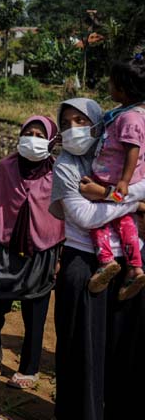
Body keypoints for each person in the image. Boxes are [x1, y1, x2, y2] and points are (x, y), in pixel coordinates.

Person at [50, 97, 145, 420]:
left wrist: (107, 194)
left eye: (80, 121)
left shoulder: (114, 157)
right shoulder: (65, 166)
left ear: (98, 125)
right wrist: (133, 202)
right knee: (84, 352)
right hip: (84, 264)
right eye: (65, 124)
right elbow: (85, 216)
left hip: (128, 265)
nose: (73, 129)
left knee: (124, 349)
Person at [0, 115, 64, 390]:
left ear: (52, 141)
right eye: (28, 132)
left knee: (35, 313)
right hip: (6, 246)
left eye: (40, 135)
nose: (33, 139)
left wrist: (59, 257)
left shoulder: (58, 172)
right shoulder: (7, 167)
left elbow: (65, 216)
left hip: (43, 249)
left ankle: (29, 368)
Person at [85, 56, 145, 298]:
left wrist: (123, 180)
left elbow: (133, 148)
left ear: (123, 89)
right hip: (118, 181)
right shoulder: (131, 113)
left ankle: (106, 260)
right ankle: (135, 267)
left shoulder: (129, 118)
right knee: (125, 221)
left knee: (97, 219)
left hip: (110, 180)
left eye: (110, 84)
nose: (108, 87)